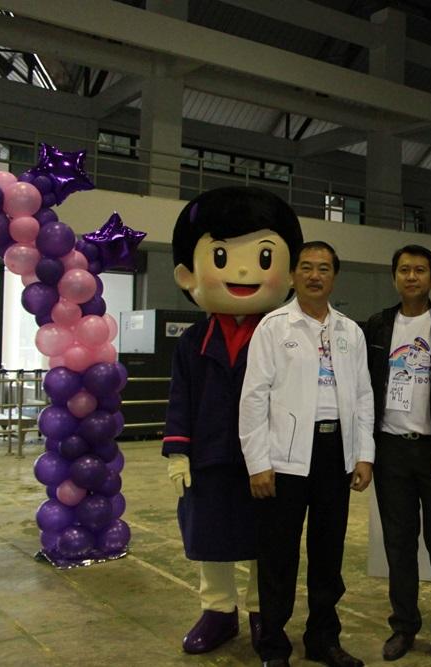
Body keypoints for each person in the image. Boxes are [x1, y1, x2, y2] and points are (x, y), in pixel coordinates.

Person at [163, 186, 302, 654]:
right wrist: (178, 451)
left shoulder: (283, 335)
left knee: (266, 536)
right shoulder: (193, 341)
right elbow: (180, 397)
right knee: (210, 535)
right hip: (209, 457)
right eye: (221, 256)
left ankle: (265, 611)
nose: (243, 271)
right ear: (187, 274)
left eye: (263, 257)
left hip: (267, 458)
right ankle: (218, 610)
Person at [239, 241, 374, 667]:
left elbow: (364, 396)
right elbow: (253, 398)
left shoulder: (350, 331)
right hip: (285, 457)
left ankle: (323, 639)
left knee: (328, 553)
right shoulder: (273, 327)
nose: (315, 276)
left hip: (336, 453)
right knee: (278, 555)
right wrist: (258, 463)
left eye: (324, 268)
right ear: (293, 275)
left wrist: (364, 454)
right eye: (307, 268)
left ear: (335, 276)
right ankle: (273, 644)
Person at [364, 245, 431, 664]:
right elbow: (365, 388)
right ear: (394, 277)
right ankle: (404, 626)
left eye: (420, 270)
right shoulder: (377, 325)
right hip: (391, 450)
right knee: (399, 545)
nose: (411, 277)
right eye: (404, 270)